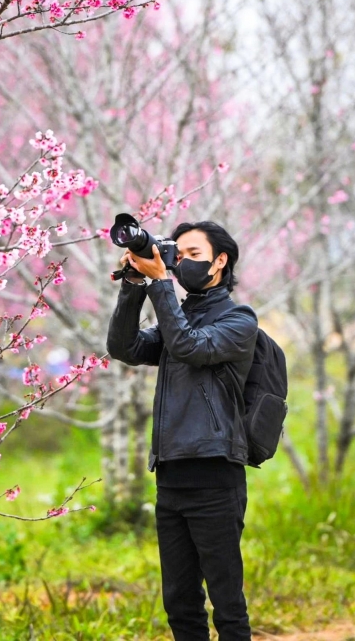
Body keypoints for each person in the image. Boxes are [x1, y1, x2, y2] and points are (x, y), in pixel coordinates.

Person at [106, 220, 258, 641]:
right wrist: (134, 284)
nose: (183, 262)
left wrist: (161, 285)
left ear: (220, 261)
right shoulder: (179, 318)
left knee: (226, 602)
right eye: (180, 254)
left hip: (215, 475)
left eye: (195, 254)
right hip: (171, 476)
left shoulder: (239, 320)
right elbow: (124, 347)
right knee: (179, 601)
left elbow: (190, 346)